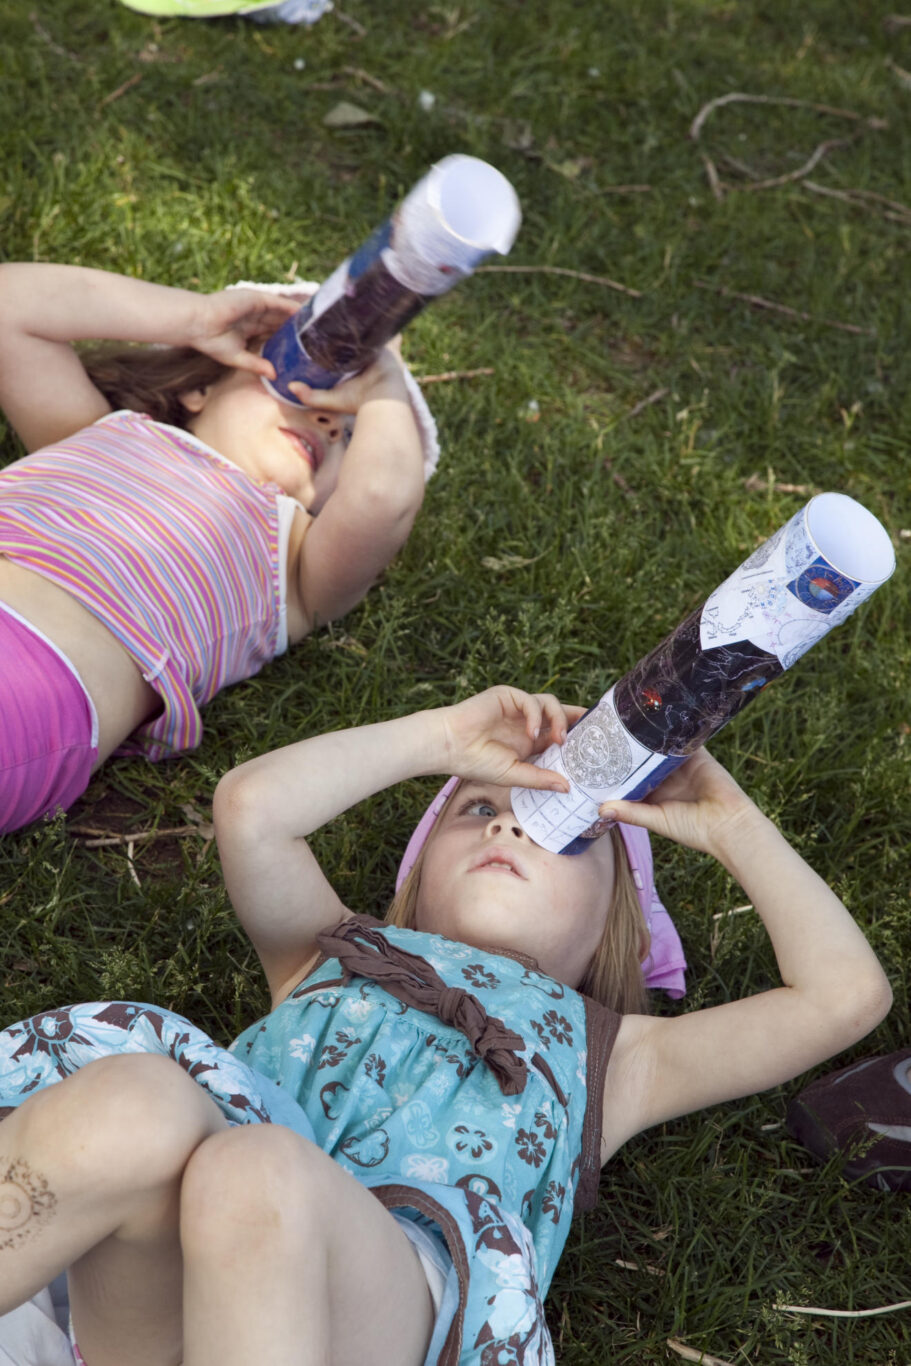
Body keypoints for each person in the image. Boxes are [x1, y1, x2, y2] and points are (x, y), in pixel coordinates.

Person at [0, 685, 892, 1365]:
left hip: (371, 1308)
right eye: (479, 806)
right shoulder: (328, 953)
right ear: (416, 880)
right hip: (144, 1307)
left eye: (568, 831)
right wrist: (440, 738)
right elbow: (252, 809)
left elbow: (841, 996)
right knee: (138, 1097)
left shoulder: (618, 1056)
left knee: (256, 1168)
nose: (510, 819)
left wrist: (732, 824)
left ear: (612, 930)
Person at [0, 262, 434, 836]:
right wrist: (195, 316)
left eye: (353, 434)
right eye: (305, 381)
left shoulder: (297, 566)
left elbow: (383, 496)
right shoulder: (98, 430)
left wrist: (383, 383)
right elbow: (11, 306)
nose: (331, 420)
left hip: (35, 679)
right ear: (200, 385)